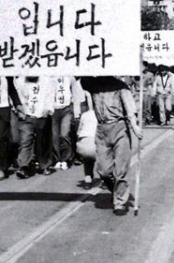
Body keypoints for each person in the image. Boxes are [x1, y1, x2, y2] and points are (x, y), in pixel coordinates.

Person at [80, 76, 142, 216]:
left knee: (121, 168)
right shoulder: (93, 85)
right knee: (104, 171)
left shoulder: (120, 87)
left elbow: (130, 108)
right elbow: (82, 80)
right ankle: (116, 190)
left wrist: (134, 127)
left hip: (120, 127)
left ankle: (119, 202)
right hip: (102, 129)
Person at [14, 76, 56, 179]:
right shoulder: (20, 81)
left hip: (42, 114)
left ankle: (44, 165)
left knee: (42, 142)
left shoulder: (47, 79)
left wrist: (48, 109)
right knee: (25, 140)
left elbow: (50, 96)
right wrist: (19, 109)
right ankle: (24, 166)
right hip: (26, 115)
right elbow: (18, 97)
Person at [51, 76, 77, 170]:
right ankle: (57, 159)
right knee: (54, 136)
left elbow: (75, 91)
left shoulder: (70, 76)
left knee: (64, 134)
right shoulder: (50, 75)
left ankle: (66, 159)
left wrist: (75, 108)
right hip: (54, 109)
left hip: (66, 108)